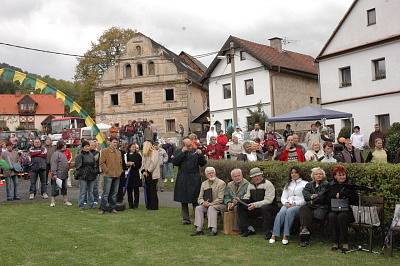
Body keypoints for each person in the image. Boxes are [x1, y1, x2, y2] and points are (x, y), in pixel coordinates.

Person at [269, 167, 307, 245]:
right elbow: (283, 197)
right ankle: (274, 234)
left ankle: (285, 235)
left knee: (290, 211)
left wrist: (295, 203)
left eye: (296, 172)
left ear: (299, 173)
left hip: (298, 205)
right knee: (281, 212)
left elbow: (305, 199)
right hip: (287, 204)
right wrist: (286, 203)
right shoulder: (288, 184)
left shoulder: (305, 184)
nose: (294, 174)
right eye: (292, 173)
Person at [173, 138, 207, 224]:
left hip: (194, 177)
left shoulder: (196, 151)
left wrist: (200, 155)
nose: (190, 147)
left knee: (195, 198)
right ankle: (186, 219)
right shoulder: (179, 151)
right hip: (183, 177)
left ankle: (198, 218)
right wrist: (182, 152)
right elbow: (175, 162)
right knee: (183, 199)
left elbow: (203, 163)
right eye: (188, 146)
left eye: (190, 145)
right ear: (183, 145)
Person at [237, 167, 277, 239]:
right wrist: (240, 200)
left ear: (261, 175)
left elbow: (268, 200)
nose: (257, 178)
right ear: (252, 178)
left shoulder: (268, 184)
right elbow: (247, 197)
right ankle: (248, 228)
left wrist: (255, 205)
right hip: (256, 207)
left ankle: (268, 231)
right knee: (240, 205)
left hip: (270, 207)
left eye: (258, 175)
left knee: (265, 208)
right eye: (254, 176)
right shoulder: (250, 185)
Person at [327, 165, 358, 252]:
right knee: (331, 216)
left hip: (348, 211)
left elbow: (355, 200)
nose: (342, 177)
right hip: (335, 209)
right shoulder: (331, 185)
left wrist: (344, 195)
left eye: (343, 175)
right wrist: (334, 196)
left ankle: (345, 242)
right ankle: (335, 242)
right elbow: (327, 199)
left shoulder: (350, 185)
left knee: (342, 216)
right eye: (339, 175)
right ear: (335, 176)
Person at [191, 167, 226, 236]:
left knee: (211, 208)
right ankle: (199, 229)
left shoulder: (221, 183)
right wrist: (203, 203)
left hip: (219, 205)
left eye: (212, 173)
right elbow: (200, 198)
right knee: (198, 208)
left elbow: (220, 198)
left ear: (215, 173)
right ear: (206, 175)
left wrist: (210, 204)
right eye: (209, 173)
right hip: (207, 204)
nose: (211, 174)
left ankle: (213, 229)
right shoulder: (204, 184)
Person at [299, 167, 329, 247]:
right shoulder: (309, 184)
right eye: (316, 174)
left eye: (320, 174)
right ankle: (304, 230)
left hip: (321, 207)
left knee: (309, 215)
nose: (319, 175)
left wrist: (311, 199)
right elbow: (305, 195)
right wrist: (312, 197)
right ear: (313, 176)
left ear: (323, 175)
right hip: (311, 206)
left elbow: (322, 197)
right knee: (303, 208)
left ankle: (304, 236)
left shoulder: (326, 184)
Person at [99, 137, 123, 214]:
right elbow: (102, 163)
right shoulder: (104, 151)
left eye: (116, 142)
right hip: (108, 175)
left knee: (114, 193)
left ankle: (112, 208)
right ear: (109, 142)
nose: (115, 144)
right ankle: (103, 208)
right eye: (114, 142)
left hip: (117, 175)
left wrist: (120, 171)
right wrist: (107, 171)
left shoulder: (118, 152)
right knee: (106, 193)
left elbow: (120, 163)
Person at [50, 140, 72, 207]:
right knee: (55, 188)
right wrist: (54, 174)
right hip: (57, 174)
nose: (66, 146)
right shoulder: (56, 154)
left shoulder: (63, 153)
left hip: (64, 174)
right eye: (65, 145)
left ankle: (65, 200)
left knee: (64, 188)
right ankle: (52, 201)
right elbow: (54, 164)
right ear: (61, 146)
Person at [75, 141, 97, 209]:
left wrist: (94, 171)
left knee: (91, 191)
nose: (87, 148)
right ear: (83, 147)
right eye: (86, 146)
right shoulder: (80, 155)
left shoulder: (91, 155)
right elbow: (78, 166)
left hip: (91, 175)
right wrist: (84, 170)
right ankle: (81, 205)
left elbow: (94, 165)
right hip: (83, 175)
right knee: (83, 191)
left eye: (88, 146)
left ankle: (92, 204)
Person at [141, 141, 160, 210]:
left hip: (152, 174)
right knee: (148, 190)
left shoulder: (154, 152)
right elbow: (142, 163)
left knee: (153, 190)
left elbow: (153, 163)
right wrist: (143, 171)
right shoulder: (145, 154)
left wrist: (148, 171)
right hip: (146, 174)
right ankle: (149, 205)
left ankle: (154, 206)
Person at [125, 143, 142, 209]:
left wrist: (134, 164)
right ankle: (130, 204)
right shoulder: (126, 155)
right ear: (129, 148)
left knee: (136, 190)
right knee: (129, 190)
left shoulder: (138, 155)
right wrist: (128, 164)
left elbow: (139, 164)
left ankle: (136, 204)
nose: (134, 148)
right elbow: (124, 163)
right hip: (128, 174)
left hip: (135, 173)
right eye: (132, 147)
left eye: (135, 147)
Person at [89, 140, 100, 204]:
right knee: (88, 187)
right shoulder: (86, 152)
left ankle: (96, 199)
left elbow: (94, 160)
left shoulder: (97, 152)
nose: (92, 146)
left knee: (95, 186)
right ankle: (88, 199)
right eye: (91, 145)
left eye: (94, 145)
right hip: (87, 172)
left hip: (94, 171)